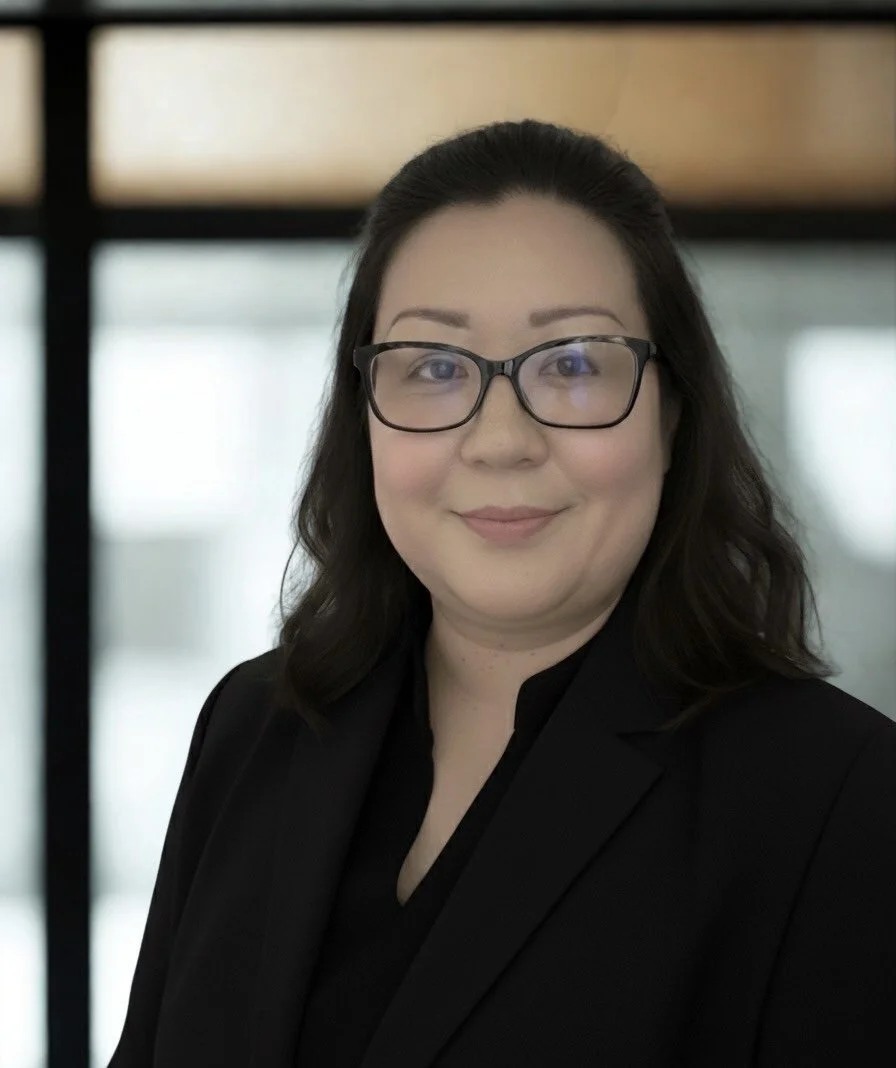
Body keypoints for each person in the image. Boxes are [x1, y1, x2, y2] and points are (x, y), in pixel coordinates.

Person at [109, 119, 895, 1068]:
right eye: (435, 369)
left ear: (672, 412)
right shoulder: (252, 728)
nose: (500, 440)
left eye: (570, 365)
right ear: (364, 420)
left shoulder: (838, 796)